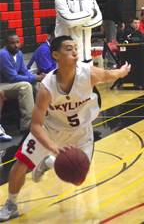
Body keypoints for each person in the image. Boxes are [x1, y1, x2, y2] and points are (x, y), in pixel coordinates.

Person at [0, 35, 131, 222]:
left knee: (78, 177)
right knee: (19, 166)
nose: (75, 52)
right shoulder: (47, 88)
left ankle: (47, 162)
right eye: (68, 49)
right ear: (56, 55)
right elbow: (36, 125)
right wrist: (53, 147)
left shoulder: (89, 74)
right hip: (51, 130)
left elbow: (111, 75)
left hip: (81, 133)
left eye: (75, 48)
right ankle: (11, 205)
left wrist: (122, 71)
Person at [0, 34, 45, 134]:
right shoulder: (3, 54)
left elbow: (24, 72)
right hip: (2, 84)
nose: (16, 45)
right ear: (6, 44)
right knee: (25, 86)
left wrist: (37, 78)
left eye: (17, 42)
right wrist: (36, 77)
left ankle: (41, 119)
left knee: (36, 84)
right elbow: (12, 78)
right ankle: (27, 125)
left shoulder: (19, 53)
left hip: (10, 83)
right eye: (12, 43)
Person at [54, 0, 102, 65]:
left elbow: (99, 20)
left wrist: (76, 21)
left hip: (88, 57)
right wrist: (91, 12)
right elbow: (69, 22)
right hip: (68, 59)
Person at [102, 0, 125, 69]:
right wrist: (122, 22)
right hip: (111, 22)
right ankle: (111, 63)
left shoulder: (109, 0)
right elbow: (118, 11)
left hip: (106, 21)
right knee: (112, 42)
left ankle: (110, 62)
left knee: (109, 41)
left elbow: (104, 12)